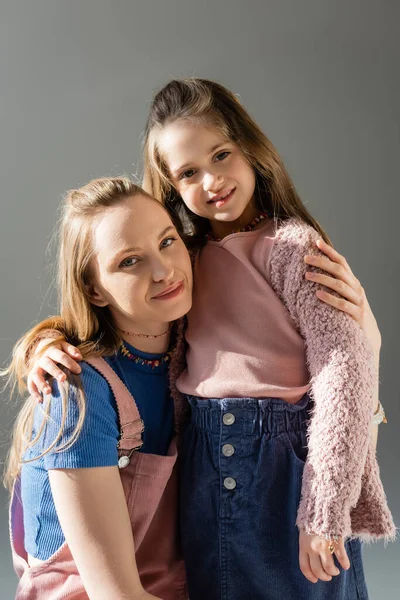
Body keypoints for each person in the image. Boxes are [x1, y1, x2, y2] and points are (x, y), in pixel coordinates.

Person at [24, 79, 395, 600]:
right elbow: (120, 321)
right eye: (189, 173)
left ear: (250, 149)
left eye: (221, 155)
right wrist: (40, 344)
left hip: (284, 469)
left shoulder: (292, 249)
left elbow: (342, 373)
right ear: (172, 186)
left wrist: (325, 508)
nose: (212, 180)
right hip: (205, 462)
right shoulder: (186, 262)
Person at [3, 177, 192, 599]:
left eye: (167, 242)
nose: (164, 271)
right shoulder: (76, 393)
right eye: (129, 262)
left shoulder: (194, 348)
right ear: (93, 289)